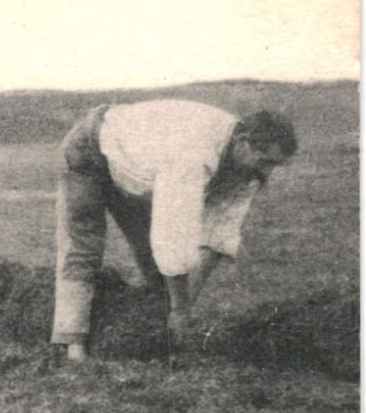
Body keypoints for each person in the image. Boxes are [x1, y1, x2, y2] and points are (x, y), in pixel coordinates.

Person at [52, 99, 297, 361]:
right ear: (243, 140)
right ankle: (72, 343)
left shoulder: (247, 168)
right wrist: (180, 310)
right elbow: (173, 239)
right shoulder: (194, 153)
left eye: (275, 165)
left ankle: (152, 334)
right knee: (84, 248)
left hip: (140, 169)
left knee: (150, 251)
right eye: (264, 161)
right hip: (90, 149)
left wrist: (183, 307)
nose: (266, 171)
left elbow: (217, 234)